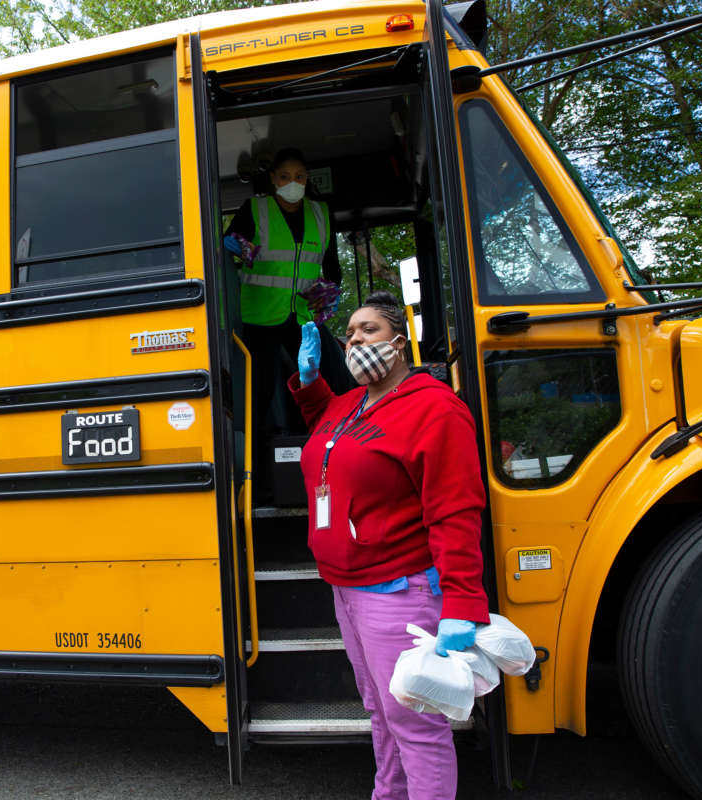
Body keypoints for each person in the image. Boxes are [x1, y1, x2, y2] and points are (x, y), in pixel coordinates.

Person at [290, 291, 490, 800]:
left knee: (416, 724)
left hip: (398, 591)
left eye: (368, 330)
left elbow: (455, 510)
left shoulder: (434, 408)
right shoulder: (352, 403)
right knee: (381, 712)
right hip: (349, 589)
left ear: (399, 342)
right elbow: (331, 439)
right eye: (350, 333)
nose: (355, 339)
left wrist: (462, 602)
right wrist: (311, 386)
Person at [223, 147, 349, 503]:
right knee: (261, 394)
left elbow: (332, 264)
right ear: (272, 179)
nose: (292, 184)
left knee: (326, 384)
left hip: (303, 316)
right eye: (284, 177)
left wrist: (331, 290)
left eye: (299, 177)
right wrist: (237, 249)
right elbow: (230, 248)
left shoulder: (322, 213)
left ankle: (328, 463)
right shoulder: (256, 209)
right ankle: (260, 480)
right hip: (259, 317)